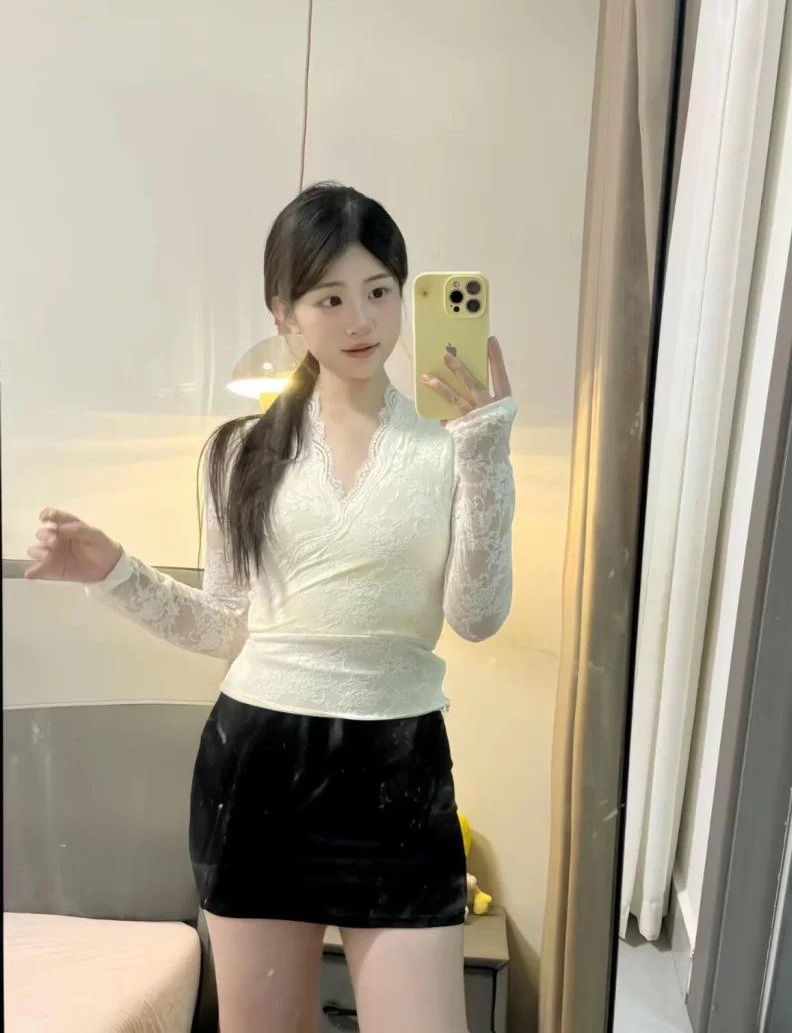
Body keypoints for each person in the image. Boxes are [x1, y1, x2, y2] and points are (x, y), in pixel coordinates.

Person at [25, 182, 516, 1033]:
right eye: (331, 298)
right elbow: (223, 623)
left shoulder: (452, 445)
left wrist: (486, 454)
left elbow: (476, 614)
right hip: (258, 771)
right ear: (284, 313)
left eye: (379, 291)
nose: (361, 319)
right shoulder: (241, 453)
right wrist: (113, 571)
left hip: (400, 772)